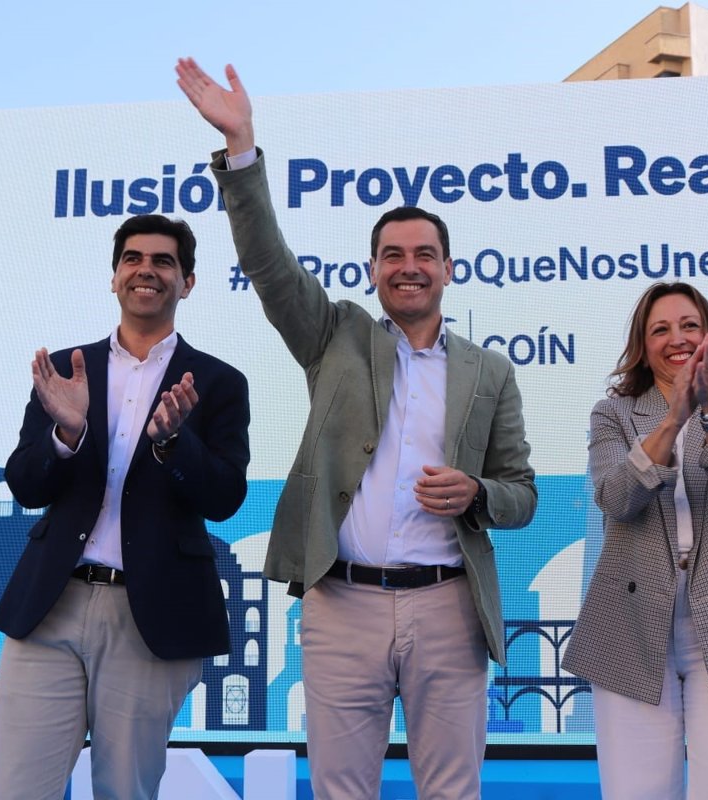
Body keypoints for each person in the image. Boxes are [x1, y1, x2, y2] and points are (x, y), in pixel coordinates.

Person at [176, 58, 537, 799]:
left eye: (425, 255)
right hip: (341, 603)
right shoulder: (333, 335)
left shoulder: (490, 373)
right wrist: (242, 149)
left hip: (449, 606)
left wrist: (477, 493)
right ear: (373, 269)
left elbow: (522, 493)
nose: (409, 267)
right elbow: (269, 264)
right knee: (341, 790)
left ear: (448, 269)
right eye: (393, 255)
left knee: (453, 791)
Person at [0, 214, 251, 800]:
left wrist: (175, 443)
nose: (145, 270)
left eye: (163, 261)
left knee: (124, 791)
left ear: (187, 283)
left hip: (149, 614)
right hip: (49, 606)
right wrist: (67, 434)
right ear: (114, 277)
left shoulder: (218, 382)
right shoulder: (66, 370)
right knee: (15, 789)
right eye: (132, 258)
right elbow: (26, 485)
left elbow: (226, 497)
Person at [561, 281, 708, 799]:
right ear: (643, 347)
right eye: (660, 330)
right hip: (630, 624)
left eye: (690, 325)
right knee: (635, 788)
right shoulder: (612, 414)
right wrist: (673, 419)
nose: (678, 339)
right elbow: (616, 498)